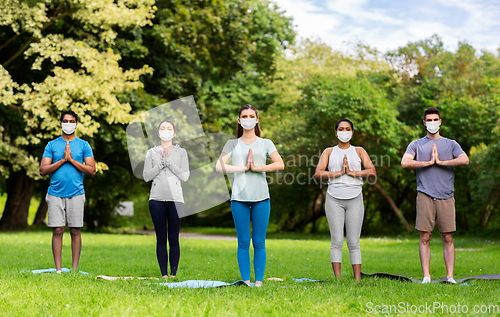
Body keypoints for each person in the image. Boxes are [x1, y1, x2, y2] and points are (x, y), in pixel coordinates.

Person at [216, 104, 284, 287]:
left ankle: (259, 281)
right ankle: (246, 281)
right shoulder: (232, 144)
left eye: (251, 116)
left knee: (260, 242)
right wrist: (243, 168)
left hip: (261, 198)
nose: (248, 119)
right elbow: (219, 165)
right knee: (243, 242)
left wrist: (257, 168)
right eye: (244, 116)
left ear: (257, 120)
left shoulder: (265, 143)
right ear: (239, 120)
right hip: (239, 198)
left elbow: (280, 164)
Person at [401, 107, 469, 284]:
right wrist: (427, 163)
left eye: (435, 119)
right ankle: (426, 276)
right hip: (425, 195)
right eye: (428, 120)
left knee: (447, 236)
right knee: (425, 237)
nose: (432, 123)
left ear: (440, 122)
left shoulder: (451, 144)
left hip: (446, 195)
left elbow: (465, 159)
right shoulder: (416, 144)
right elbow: (405, 162)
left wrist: (441, 162)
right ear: (424, 123)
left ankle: (450, 277)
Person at [315, 119, 376, 282]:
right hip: (334, 199)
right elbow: (318, 173)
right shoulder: (329, 152)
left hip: (355, 198)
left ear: (352, 132)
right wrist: (338, 173)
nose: (344, 131)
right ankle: (338, 279)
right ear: (335, 133)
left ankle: (357, 280)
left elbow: (372, 171)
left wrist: (353, 173)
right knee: (336, 241)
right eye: (341, 129)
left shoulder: (359, 151)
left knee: (354, 242)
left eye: (347, 129)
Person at [39, 110, 96, 272]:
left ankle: (74, 269)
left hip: (76, 193)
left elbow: (92, 170)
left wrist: (71, 160)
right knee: (58, 230)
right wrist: (63, 160)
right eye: (66, 121)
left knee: (75, 230)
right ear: (60, 124)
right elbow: (43, 170)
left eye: (72, 121)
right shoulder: (52, 145)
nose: (68, 124)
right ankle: (58, 270)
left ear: (76, 124)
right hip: (55, 193)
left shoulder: (84, 145)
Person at [143, 120, 189, 278]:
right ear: (158, 133)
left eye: (169, 128)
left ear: (174, 133)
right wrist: (161, 163)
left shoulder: (181, 152)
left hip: (176, 200)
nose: (166, 130)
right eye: (163, 128)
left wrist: (170, 164)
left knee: (174, 237)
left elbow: (185, 175)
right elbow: (146, 176)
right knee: (161, 237)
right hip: (156, 200)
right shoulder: (151, 152)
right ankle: (164, 274)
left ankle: (174, 274)